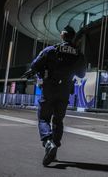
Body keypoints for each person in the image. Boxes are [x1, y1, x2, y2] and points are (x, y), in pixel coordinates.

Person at [22, 25, 86, 166]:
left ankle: (48, 143)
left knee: (44, 118)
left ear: (62, 35)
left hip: (49, 88)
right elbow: (81, 74)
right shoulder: (78, 54)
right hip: (65, 90)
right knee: (58, 120)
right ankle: (54, 152)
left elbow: (35, 64)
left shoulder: (51, 50)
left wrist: (37, 71)